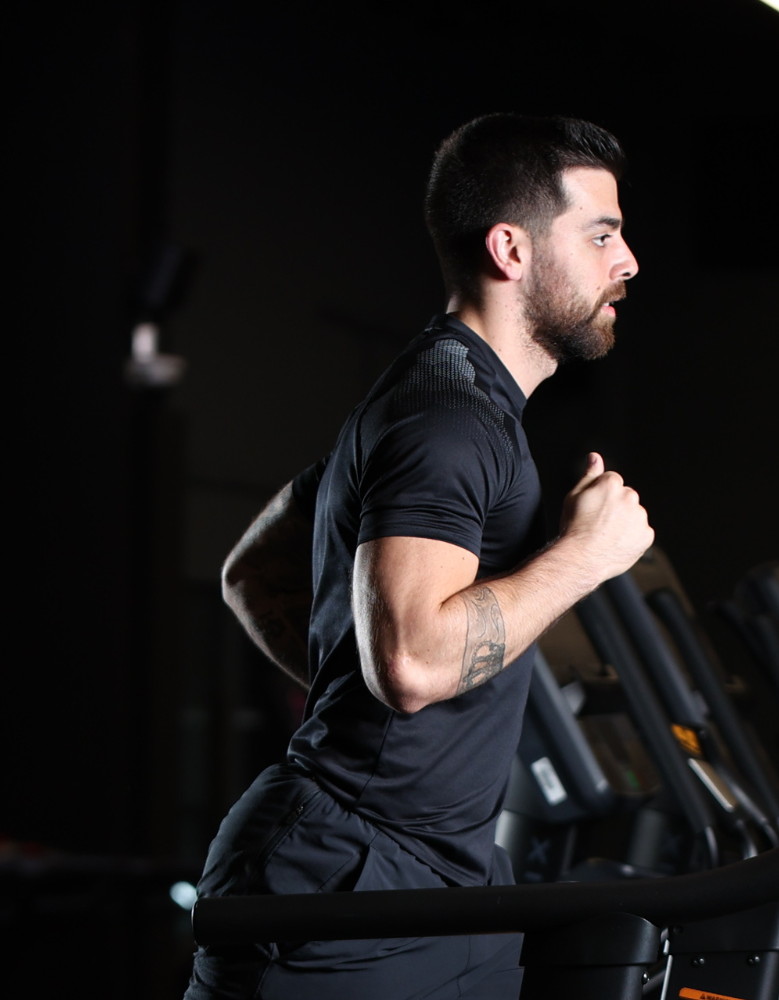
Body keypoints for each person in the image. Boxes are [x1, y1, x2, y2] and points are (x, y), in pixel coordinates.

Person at [185, 113, 654, 1000]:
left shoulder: (450, 401)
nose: (626, 261)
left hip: (437, 876)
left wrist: (361, 693)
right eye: (601, 234)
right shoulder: (449, 415)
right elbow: (411, 662)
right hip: (348, 876)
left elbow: (251, 572)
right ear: (510, 249)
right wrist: (584, 557)